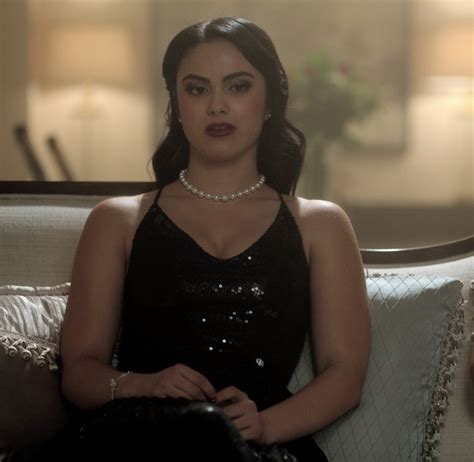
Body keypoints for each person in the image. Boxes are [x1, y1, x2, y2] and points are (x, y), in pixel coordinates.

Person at [48, 17, 371, 462]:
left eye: (237, 87)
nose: (216, 106)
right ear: (177, 105)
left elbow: (346, 377)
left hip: (257, 446)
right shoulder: (118, 221)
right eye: (197, 89)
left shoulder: (320, 225)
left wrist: (265, 425)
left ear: (271, 101)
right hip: (138, 440)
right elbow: (78, 374)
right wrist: (143, 384)